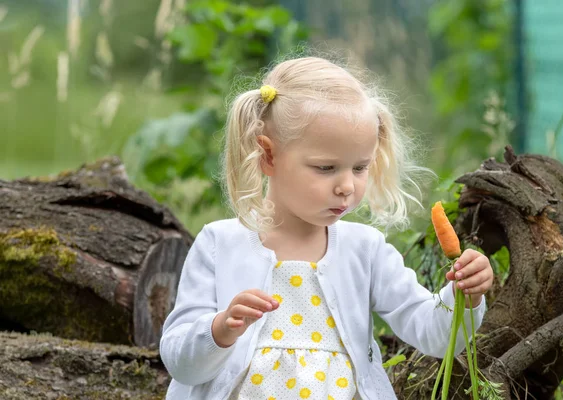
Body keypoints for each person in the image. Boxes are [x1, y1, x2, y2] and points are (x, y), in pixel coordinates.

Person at [159, 55, 493, 400]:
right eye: (326, 167)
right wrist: (219, 331)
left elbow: (432, 333)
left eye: (360, 167)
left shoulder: (364, 249)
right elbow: (180, 363)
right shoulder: (221, 243)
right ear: (268, 156)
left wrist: (463, 299)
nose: (347, 186)